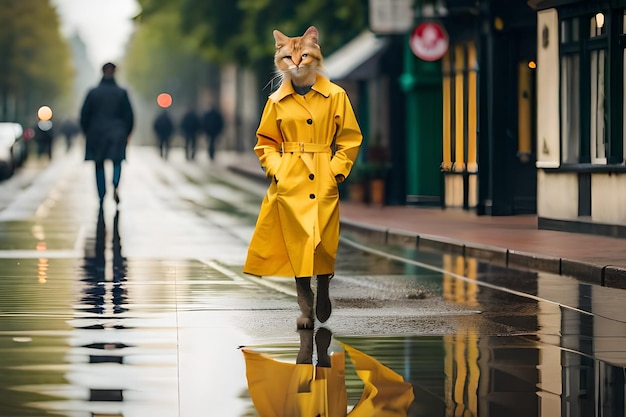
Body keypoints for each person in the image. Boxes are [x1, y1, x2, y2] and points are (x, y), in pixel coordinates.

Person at [243, 26, 362, 330]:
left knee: (323, 241)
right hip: (290, 178)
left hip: (323, 174)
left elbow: (349, 138)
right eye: (287, 57)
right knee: (297, 243)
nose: (295, 62)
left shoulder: (336, 95)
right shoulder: (276, 100)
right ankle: (304, 305)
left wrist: (336, 170)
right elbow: (266, 141)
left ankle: (323, 286)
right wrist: (277, 169)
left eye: (303, 55)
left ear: (315, 54)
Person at [80, 62, 134, 205]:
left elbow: (84, 115)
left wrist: (87, 132)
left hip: (96, 133)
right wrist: (127, 133)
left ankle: (101, 195)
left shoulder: (92, 93)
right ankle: (115, 184)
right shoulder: (122, 93)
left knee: (99, 164)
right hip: (117, 132)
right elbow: (129, 116)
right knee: (117, 161)